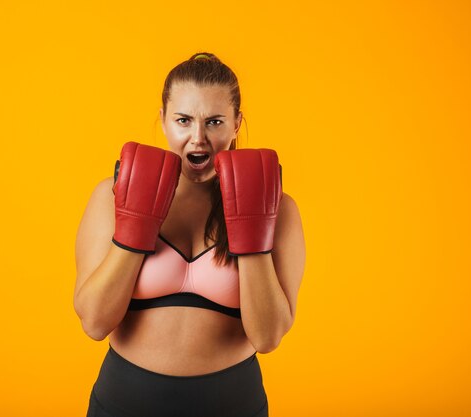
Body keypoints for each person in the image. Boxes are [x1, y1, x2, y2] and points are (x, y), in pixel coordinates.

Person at [74, 52, 305, 417]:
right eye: (184, 120)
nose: (198, 138)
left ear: (236, 123)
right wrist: (136, 224)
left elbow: (268, 337)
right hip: (123, 403)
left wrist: (252, 230)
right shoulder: (113, 194)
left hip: (233, 405)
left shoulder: (280, 207)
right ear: (164, 120)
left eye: (214, 122)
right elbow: (94, 323)